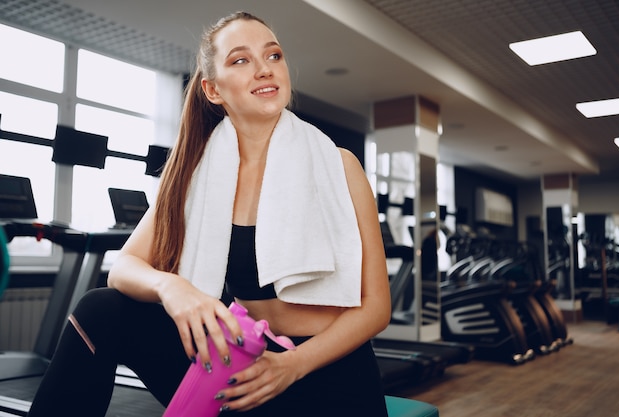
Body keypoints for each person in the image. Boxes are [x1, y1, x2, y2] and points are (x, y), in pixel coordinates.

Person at [27, 11, 391, 417]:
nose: (263, 69)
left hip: (321, 371)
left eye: (273, 56)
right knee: (102, 308)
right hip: (238, 361)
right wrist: (173, 288)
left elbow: (376, 306)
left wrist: (291, 366)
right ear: (213, 90)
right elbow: (124, 267)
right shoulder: (194, 174)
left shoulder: (339, 165)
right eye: (241, 60)